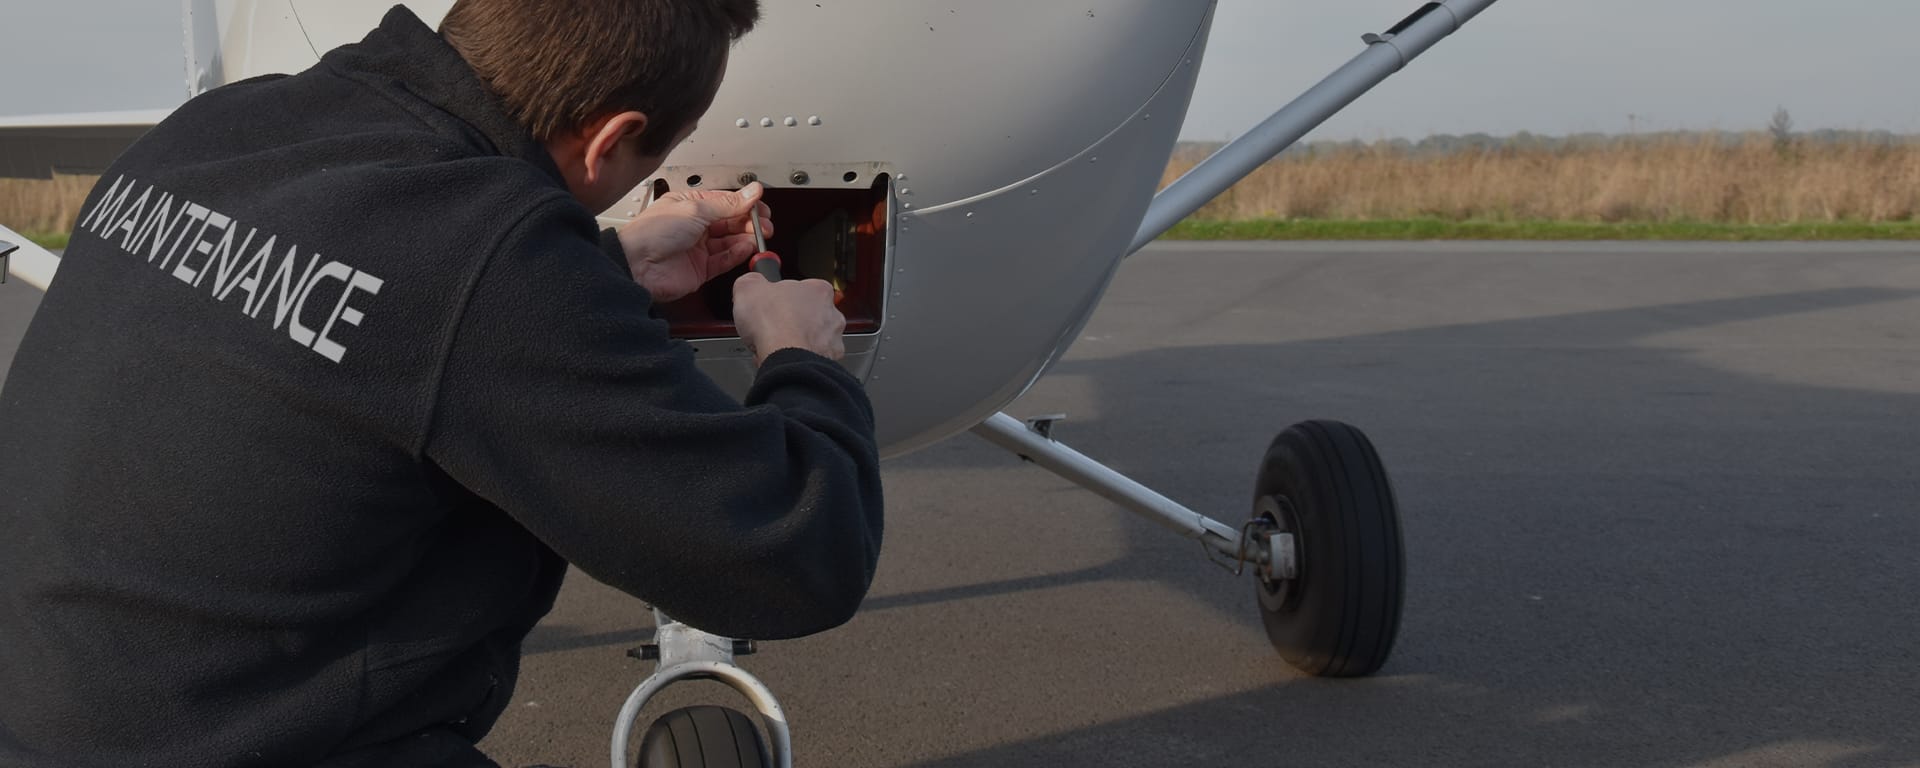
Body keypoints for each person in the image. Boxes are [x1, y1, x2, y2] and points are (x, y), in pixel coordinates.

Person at [0, 1, 883, 766]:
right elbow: (799, 552)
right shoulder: (487, 252)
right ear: (612, 137)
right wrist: (798, 357)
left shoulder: (220, 127)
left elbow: (384, 315)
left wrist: (603, 267)